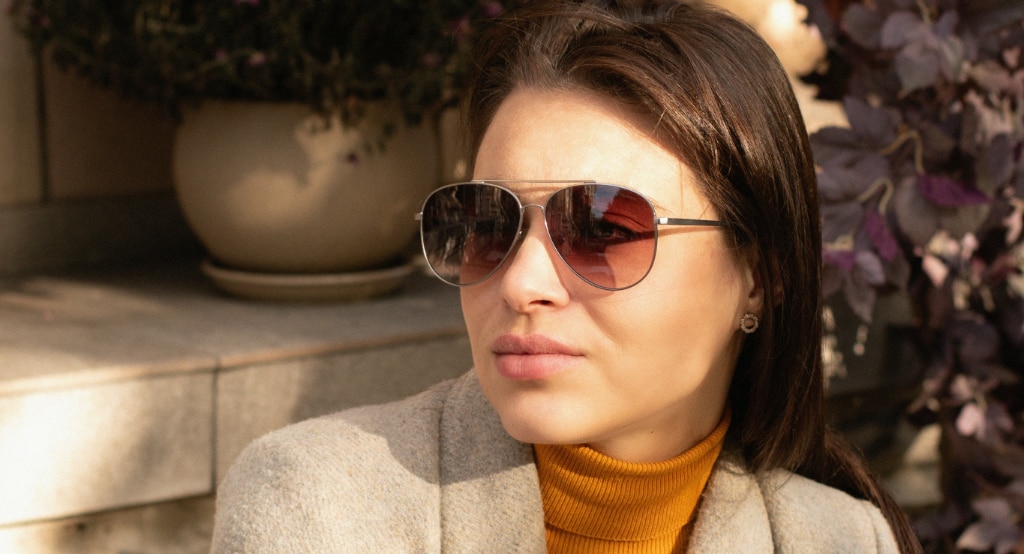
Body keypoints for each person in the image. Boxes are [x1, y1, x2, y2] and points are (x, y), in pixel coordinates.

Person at [211, 1, 921, 552]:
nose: (521, 285)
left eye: (604, 229)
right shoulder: (318, 507)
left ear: (761, 275)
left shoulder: (842, 538)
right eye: (489, 222)